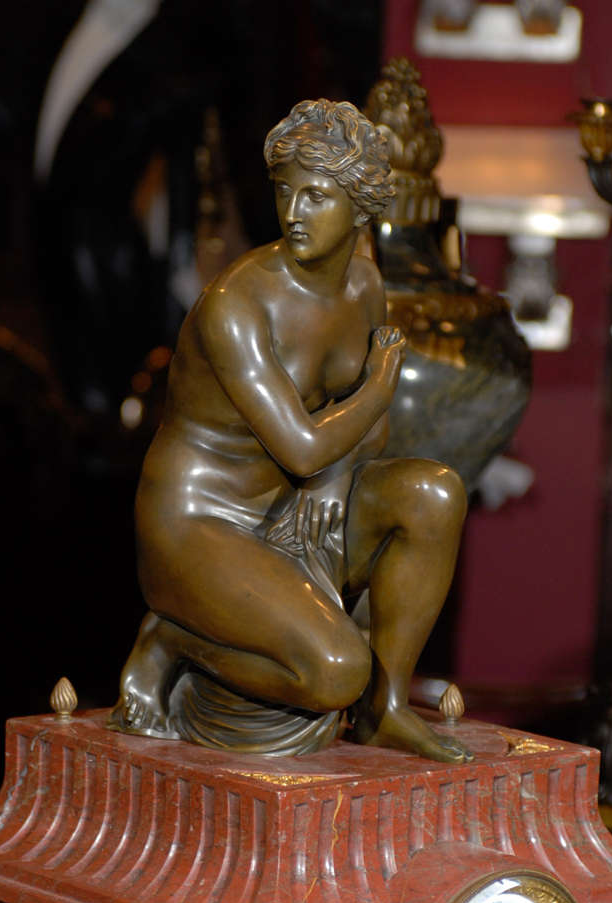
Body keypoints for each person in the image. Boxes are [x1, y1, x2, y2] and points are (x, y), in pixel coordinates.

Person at [109, 98, 470, 762]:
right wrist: (379, 386)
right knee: (335, 671)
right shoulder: (236, 307)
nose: (294, 213)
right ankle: (172, 638)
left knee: (436, 494)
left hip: (296, 499)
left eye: (317, 196)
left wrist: (334, 484)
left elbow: (367, 436)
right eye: (284, 193)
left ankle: (384, 710)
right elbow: (304, 445)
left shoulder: (364, 284)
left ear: (360, 207)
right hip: (200, 521)